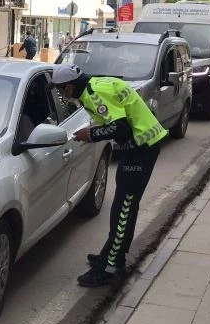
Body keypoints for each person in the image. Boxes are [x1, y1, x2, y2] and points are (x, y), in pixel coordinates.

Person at [51, 63, 167, 287]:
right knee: (126, 207)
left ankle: (110, 267)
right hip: (141, 147)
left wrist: (90, 134)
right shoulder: (95, 85)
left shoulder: (94, 94)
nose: (60, 95)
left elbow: (120, 129)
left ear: (68, 88)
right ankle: (112, 255)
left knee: (123, 209)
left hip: (142, 149)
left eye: (59, 90)